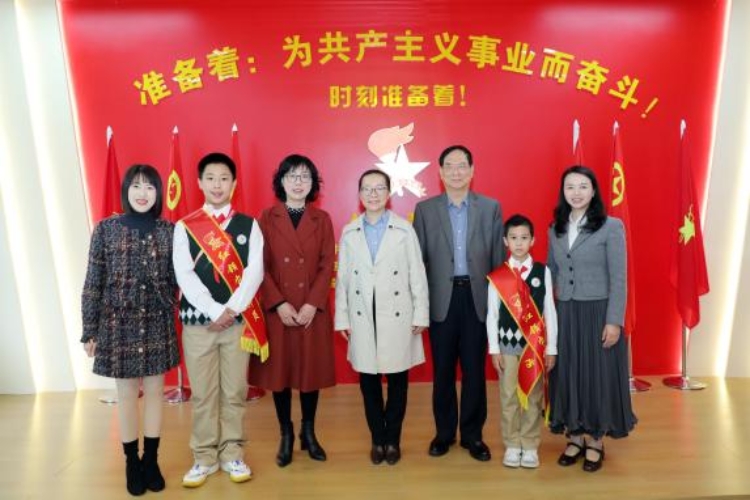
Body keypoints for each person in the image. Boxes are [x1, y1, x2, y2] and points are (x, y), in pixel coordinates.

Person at [81, 164, 179, 496]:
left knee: (155, 392)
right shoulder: (105, 229)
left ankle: (151, 460)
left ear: (158, 193)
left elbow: (178, 279)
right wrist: (89, 329)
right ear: (126, 190)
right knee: (126, 395)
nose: (142, 193)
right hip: (117, 324)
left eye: (149, 186)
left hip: (157, 321)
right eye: (136, 186)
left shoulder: (169, 231)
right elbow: (93, 282)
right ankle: (131, 461)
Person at [173, 152, 264, 487]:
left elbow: (254, 272)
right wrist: (215, 311)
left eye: (224, 178)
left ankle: (232, 454)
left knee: (235, 390)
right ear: (199, 183)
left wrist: (231, 310)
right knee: (203, 394)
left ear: (234, 184)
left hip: (236, 323)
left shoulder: (249, 225)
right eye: (210, 178)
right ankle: (204, 457)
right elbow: (184, 274)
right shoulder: (185, 226)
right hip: (198, 324)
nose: (217, 185)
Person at [413, 145, 504, 461]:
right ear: (439, 172)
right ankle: (444, 433)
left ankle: (473, 435)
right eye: (449, 166)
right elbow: (418, 264)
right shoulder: (425, 210)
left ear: (472, 170)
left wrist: (498, 306)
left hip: (477, 297)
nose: (456, 171)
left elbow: (498, 260)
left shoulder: (490, 208)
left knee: (474, 370)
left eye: (462, 165)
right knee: (442, 371)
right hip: (441, 298)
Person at [334, 169, 429, 466]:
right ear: (359, 194)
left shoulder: (404, 229)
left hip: (397, 313)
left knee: (399, 381)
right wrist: (342, 318)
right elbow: (343, 279)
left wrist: (421, 312)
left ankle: (393, 440)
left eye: (379, 188)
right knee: (369, 383)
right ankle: (377, 439)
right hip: (363, 313)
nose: (373, 194)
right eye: (367, 188)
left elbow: (417, 274)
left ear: (389, 194)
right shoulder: (350, 232)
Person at [547, 165, 636, 473]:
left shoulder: (611, 226)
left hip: (598, 312)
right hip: (565, 312)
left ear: (594, 190)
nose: (576, 192)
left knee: (596, 375)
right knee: (569, 372)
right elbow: (551, 272)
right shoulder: (555, 228)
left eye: (583, 186)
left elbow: (619, 278)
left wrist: (614, 321)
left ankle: (595, 441)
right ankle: (574, 436)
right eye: (570, 187)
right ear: (563, 191)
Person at [248, 154, 336, 467]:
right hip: (279, 310)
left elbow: (327, 264)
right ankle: (285, 434)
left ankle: (308, 433)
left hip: (312, 309)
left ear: (313, 184)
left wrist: (312, 303)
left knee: (310, 373)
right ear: (281, 181)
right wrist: (278, 303)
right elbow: (259, 265)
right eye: (292, 176)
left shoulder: (322, 219)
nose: (299, 183)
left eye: (305, 177)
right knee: (281, 375)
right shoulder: (266, 217)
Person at [486, 214, 557, 469]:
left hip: (534, 347)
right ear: (505, 241)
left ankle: (530, 445)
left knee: (533, 397)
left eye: (524, 238)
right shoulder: (498, 276)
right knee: (508, 397)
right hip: (507, 347)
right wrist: (494, 349)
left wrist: (551, 348)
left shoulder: (542, 272)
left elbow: (550, 311)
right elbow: (492, 315)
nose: (519, 243)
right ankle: (512, 444)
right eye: (513, 238)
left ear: (533, 240)